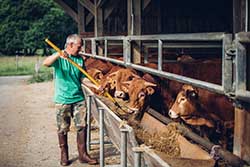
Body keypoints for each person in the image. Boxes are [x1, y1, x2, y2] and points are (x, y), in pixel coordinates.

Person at [43, 34, 98, 166]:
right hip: (63, 99)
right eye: (79, 47)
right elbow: (46, 63)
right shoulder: (60, 58)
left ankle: (83, 155)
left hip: (79, 98)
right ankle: (64, 155)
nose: (80, 49)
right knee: (63, 128)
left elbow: (82, 78)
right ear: (70, 45)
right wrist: (59, 54)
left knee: (82, 126)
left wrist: (95, 85)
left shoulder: (79, 60)